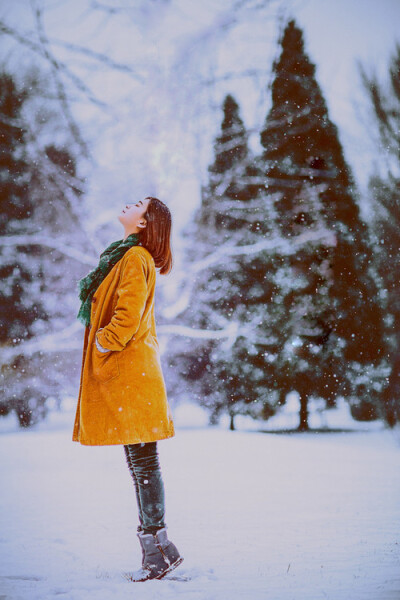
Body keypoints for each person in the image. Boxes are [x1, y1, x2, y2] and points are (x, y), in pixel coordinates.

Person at [72, 196, 183, 581]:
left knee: (144, 464)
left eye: (137, 204)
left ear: (144, 222)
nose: (127, 204)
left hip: (130, 373)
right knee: (141, 464)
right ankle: (159, 547)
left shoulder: (134, 259)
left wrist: (103, 341)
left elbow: (127, 315)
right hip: (130, 374)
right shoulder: (126, 256)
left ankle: (157, 552)